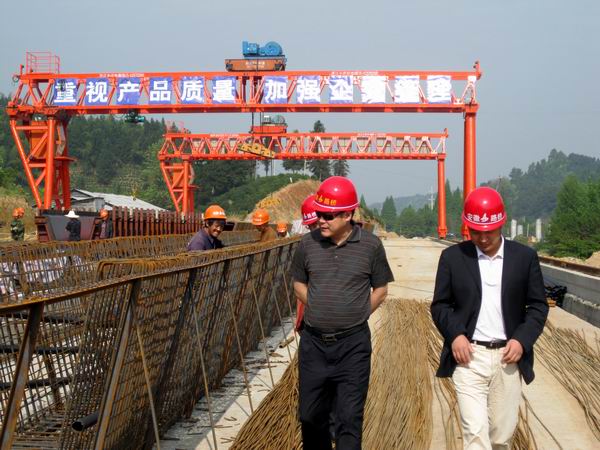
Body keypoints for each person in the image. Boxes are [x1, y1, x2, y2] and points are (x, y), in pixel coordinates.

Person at [431, 187, 549, 450]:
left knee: (500, 437)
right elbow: (440, 305)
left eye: (489, 232)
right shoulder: (453, 258)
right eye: (476, 232)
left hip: (508, 358)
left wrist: (521, 341)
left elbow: (538, 307)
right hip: (469, 358)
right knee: (475, 434)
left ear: (501, 224)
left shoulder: (524, 258)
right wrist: (456, 335)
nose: (483, 238)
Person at [291, 176, 394, 450]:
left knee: (349, 419)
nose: (321, 220)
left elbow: (381, 289)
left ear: (348, 215)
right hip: (314, 345)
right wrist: (317, 305)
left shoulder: (371, 246)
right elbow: (298, 283)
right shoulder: (307, 244)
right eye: (319, 214)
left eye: (328, 215)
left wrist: (358, 313)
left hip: (352, 347)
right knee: (310, 416)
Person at [295, 194, 319, 331]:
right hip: (311, 319)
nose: (313, 230)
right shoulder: (305, 246)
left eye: (315, 224)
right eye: (310, 227)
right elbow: (299, 287)